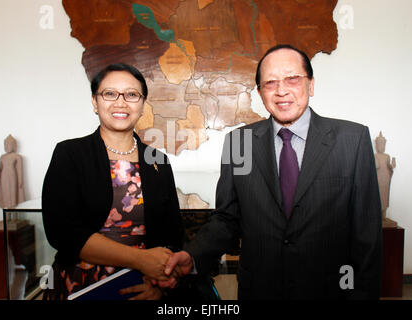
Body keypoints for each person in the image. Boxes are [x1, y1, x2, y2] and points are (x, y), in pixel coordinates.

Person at [163, 44, 383, 300]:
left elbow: (367, 233)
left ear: (310, 85)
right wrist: (193, 255)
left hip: (331, 291)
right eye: (270, 83)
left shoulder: (351, 140)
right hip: (260, 289)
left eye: (292, 79)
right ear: (259, 92)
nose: (281, 91)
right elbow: (227, 219)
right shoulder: (239, 143)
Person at [42, 63, 184, 300]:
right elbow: (63, 232)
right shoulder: (69, 154)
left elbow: (173, 236)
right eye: (109, 94)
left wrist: (160, 284)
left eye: (131, 94)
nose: (121, 102)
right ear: (94, 102)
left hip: (143, 286)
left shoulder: (158, 161)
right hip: (79, 286)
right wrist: (140, 260)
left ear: (142, 104)